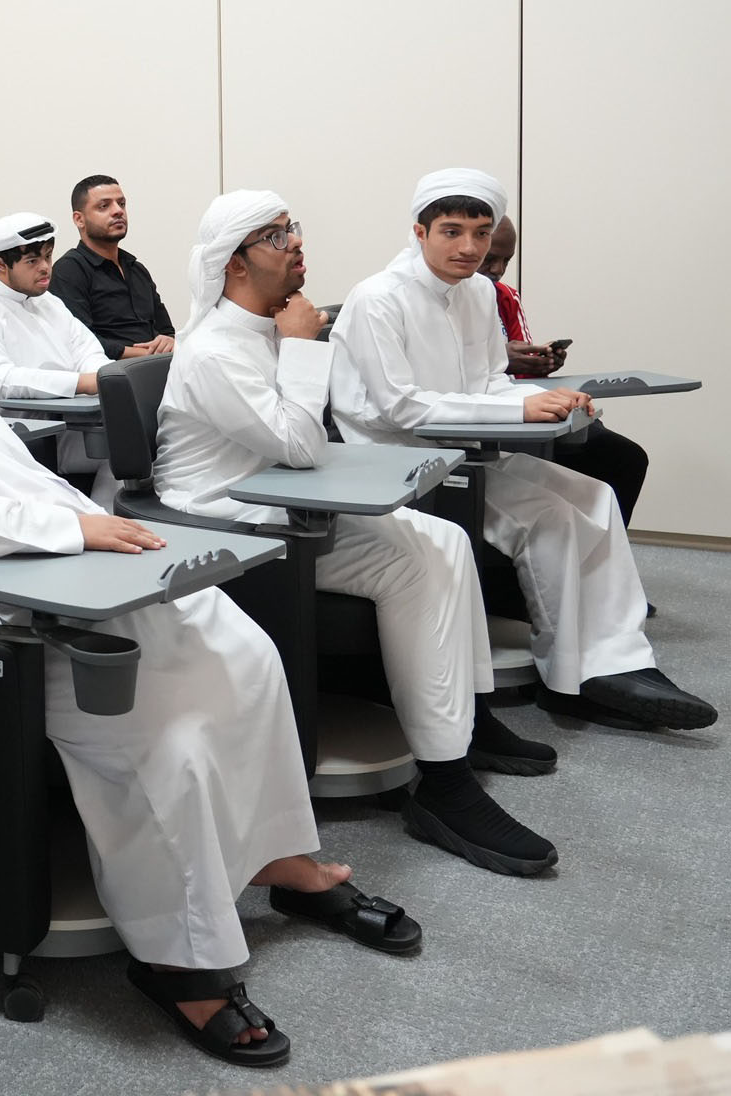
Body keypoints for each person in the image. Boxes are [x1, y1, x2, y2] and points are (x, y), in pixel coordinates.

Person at [0, 272, 418, 1068]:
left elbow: (34, 487)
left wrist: (102, 534)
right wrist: (80, 532)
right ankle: (181, 960)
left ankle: (279, 859)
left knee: (246, 655)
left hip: (67, 588)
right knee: (165, 738)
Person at [153, 191, 557, 875]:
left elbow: (300, 443)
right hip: (232, 528)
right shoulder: (214, 350)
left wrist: (295, 346)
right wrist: (304, 347)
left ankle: (467, 725)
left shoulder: (264, 330)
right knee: (415, 561)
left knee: (445, 541)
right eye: (277, 237)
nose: (297, 245)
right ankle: (447, 784)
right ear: (235, 265)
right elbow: (299, 442)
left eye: (292, 229)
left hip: (291, 506)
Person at [330, 169, 714, 732]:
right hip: (400, 460)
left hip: (468, 448)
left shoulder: (479, 292)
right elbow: (399, 409)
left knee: (596, 496)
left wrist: (549, 398)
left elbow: (488, 383)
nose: (469, 247)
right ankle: (573, 677)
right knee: (551, 518)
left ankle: (618, 661)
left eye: (481, 234)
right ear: (419, 231)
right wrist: (517, 410)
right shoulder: (377, 299)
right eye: (452, 231)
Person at [480, 216, 651, 529]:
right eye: (491, 259)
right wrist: (500, 361)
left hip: (524, 405)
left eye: (506, 260)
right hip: (489, 415)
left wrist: (539, 362)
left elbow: (518, 360)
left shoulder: (504, 296)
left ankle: (604, 559)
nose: (498, 269)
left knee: (626, 458)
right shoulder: (428, 300)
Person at [0, 212, 112, 497]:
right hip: (12, 439)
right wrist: (82, 383)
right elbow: (2, 380)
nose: (45, 268)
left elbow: (87, 349)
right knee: (122, 453)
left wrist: (103, 377)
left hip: (69, 424)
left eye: (48, 257)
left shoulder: (49, 303)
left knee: (138, 446)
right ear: (1, 265)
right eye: (32, 261)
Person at [48, 175, 177, 360]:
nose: (118, 211)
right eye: (104, 206)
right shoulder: (69, 271)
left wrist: (169, 341)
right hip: (110, 376)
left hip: (160, 368)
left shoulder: (136, 268)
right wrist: (146, 356)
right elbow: (79, 342)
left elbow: (166, 330)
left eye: (122, 204)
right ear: (79, 219)